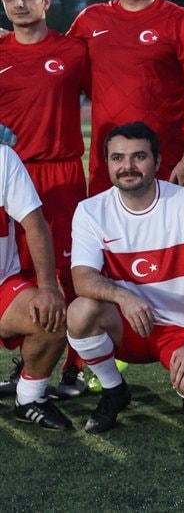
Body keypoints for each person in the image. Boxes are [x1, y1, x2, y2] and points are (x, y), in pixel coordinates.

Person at [66, 122, 184, 433]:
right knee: (79, 311)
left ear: (157, 160)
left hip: (182, 328)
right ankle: (114, 390)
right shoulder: (90, 211)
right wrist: (123, 296)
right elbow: (82, 279)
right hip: (127, 324)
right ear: (106, 163)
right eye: (117, 158)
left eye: (139, 157)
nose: (127, 166)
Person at [0, 0, 90, 396]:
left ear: (46, 1)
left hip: (62, 175)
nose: (18, 3)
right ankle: (29, 364)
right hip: (11, 176)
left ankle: (75, 367)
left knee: (68, 270)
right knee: (18, 272)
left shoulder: (74, 51)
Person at [68, 0, 184, 193]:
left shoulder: (180, 20)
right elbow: (52, 64)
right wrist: (12, 40)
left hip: (166, 164)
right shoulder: (90, 20)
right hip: (107, 166)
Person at [0, 143, 71, 430]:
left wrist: (48, 288)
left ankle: (29, 399)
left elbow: (35, 224)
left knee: (50, 318)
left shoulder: (3, 157)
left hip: (2, 286)